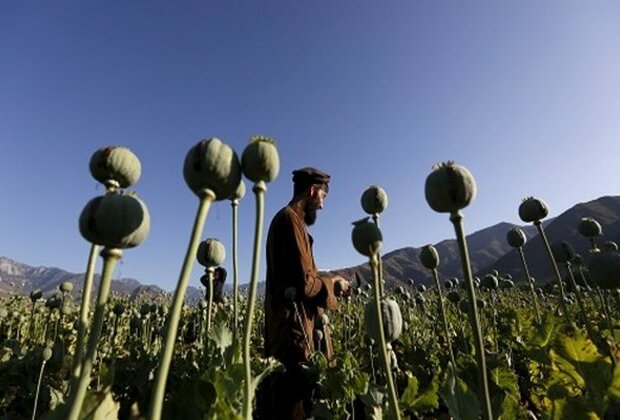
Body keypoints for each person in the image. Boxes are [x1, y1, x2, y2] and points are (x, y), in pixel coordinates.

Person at [260, 166, 350, 420]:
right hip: (294, 336)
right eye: (323, 196)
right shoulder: (289, 221)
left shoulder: (291, 222)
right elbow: (305, 285)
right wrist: (335, 284)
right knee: (293, 408)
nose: (321, 206)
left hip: (294, 331)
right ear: (312, 191)